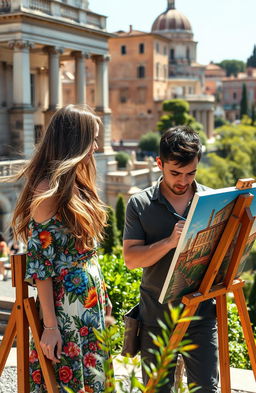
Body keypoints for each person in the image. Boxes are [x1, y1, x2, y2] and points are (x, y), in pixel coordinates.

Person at [10, 104, 112, 393]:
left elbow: (86, 251)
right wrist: (51, 327)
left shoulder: (77, 182)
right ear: (74, 142)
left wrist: (102, 298)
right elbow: (41, 264)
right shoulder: (46, 190)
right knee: (71, 382)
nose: (95, 146)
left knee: (93, 378)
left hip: (88, 301)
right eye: (91, 138)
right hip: (68, 307)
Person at [123, 126, 218, 393]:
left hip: (201, 313)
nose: (183, 181)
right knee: (157, 390)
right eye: (175, 172)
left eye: (191, 173)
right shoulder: (139, 204)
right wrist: (170, 242)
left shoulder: (210, 200)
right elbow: (131, 259)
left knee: (206, 389)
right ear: (159, 164)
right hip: (155, 315)